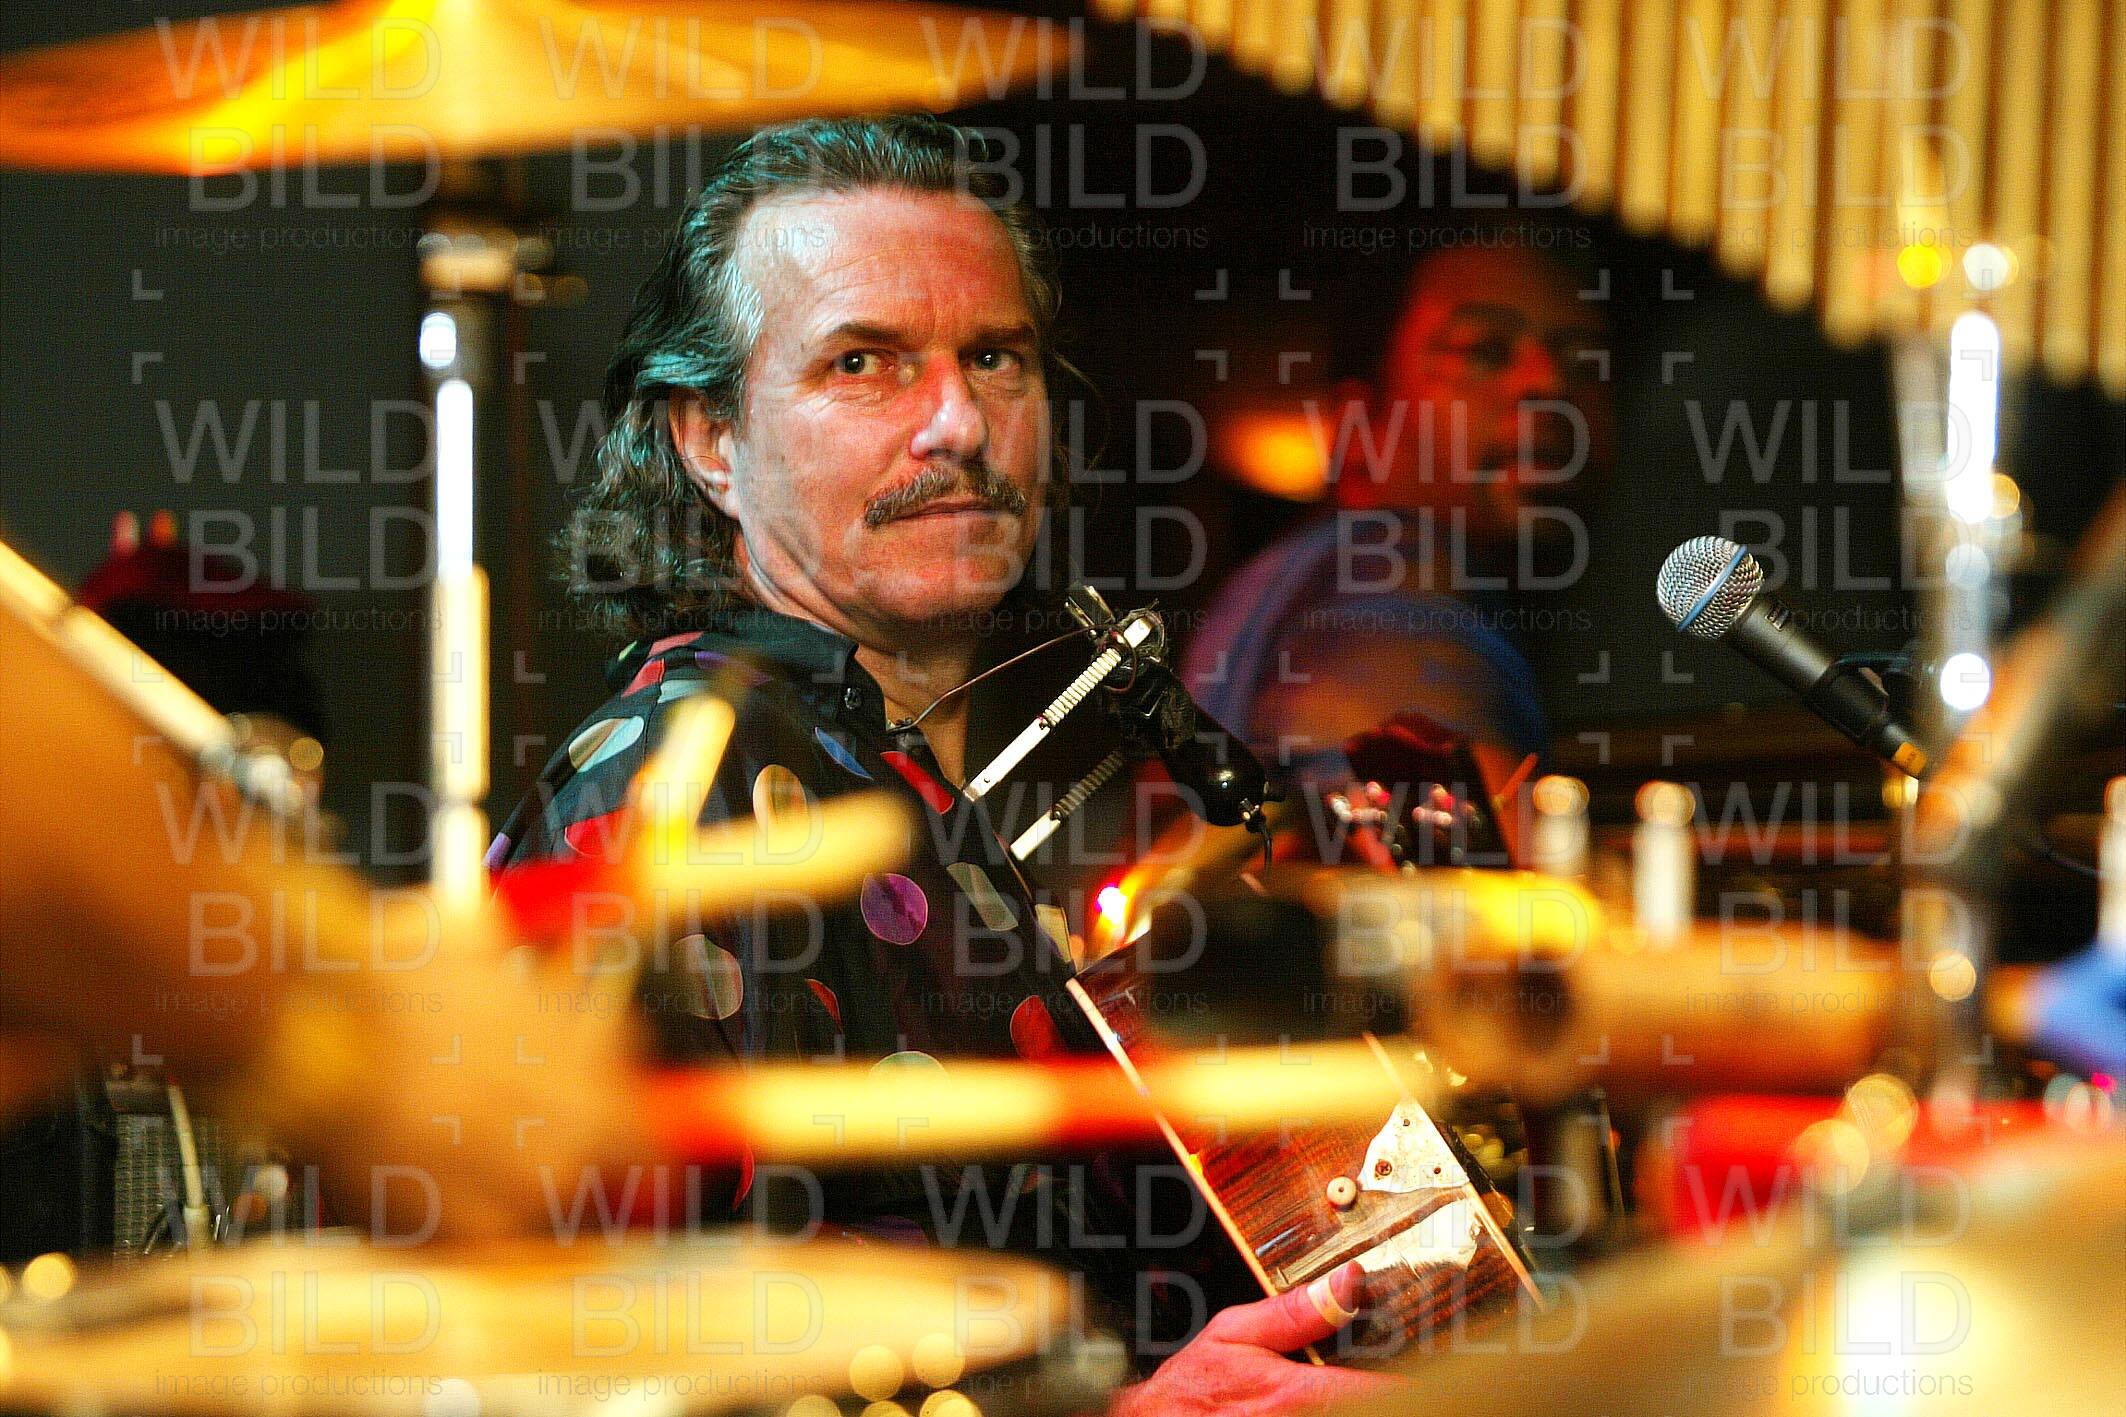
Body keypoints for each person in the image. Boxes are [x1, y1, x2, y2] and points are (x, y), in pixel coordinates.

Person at [493, 116, 1394, 1411]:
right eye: (862, 363)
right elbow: (579, 1367)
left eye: (994, 358)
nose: (958, 423)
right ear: (708, 440)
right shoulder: (665, 799)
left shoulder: (983, 758)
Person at [1183, 237, 1616, 838]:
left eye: (1585, 363)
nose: (1549, 384)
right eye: (1484, 350)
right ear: (1358, 428)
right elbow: (1479, 856)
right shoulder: (1392, 571)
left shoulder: (1287, 581)